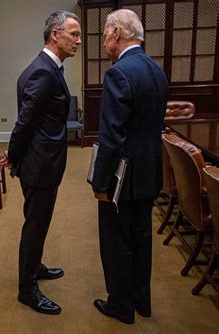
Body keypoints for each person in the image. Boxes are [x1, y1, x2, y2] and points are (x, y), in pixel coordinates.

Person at [0, 10, 81, 315]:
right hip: (39, 165)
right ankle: (27, 289)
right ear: (54, 35)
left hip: (42, 161)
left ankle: (36, 266)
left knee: (40, 222)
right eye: (73, 34)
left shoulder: (47, 67)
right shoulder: (43, 71)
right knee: (35, 225)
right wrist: (13, 154)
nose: (78, 40)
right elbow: (24, 123)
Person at [91, 9, 169, 324]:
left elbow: (112, 137)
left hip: (122, 178)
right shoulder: (156, 69)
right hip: (150, 172)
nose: (104, 41)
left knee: (116, 242)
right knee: (142, 239)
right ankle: (141, 300)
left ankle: (120, 306)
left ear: (118, 33)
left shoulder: (118, 73)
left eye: (106, 34)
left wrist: (99, 183)